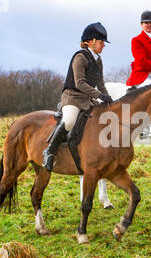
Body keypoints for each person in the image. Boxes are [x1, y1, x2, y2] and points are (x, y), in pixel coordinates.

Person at [42, 22, 113, 172]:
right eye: (101, 42)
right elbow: (80, 83)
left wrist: (108, 99)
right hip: (72, 98)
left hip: (87, 100)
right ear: (91, 42)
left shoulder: (98, 61)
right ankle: (49, 152)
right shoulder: (80, 57)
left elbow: (100, 84)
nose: (103, 46)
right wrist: (100, 95)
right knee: (69, 122)